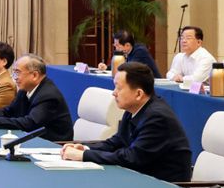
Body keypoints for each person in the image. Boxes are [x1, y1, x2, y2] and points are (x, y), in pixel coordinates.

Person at [61, 61, 192, 180]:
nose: (114, 93)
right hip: (141, 177)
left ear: (138, 94)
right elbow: (116, 142)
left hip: (166, 187)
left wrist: (84, 155)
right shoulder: (133, 109)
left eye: (119, 88)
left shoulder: (157, 117)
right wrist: (85, 148)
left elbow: (131, 158)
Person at [0, 54, 74, 140]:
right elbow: (9, 111)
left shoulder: (48, 95)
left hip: (53, 145)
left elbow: (30, 123)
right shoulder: (25, 89)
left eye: (17, 73)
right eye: (14, 73)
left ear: (34, 75)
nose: (14, 78)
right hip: (33, 139)